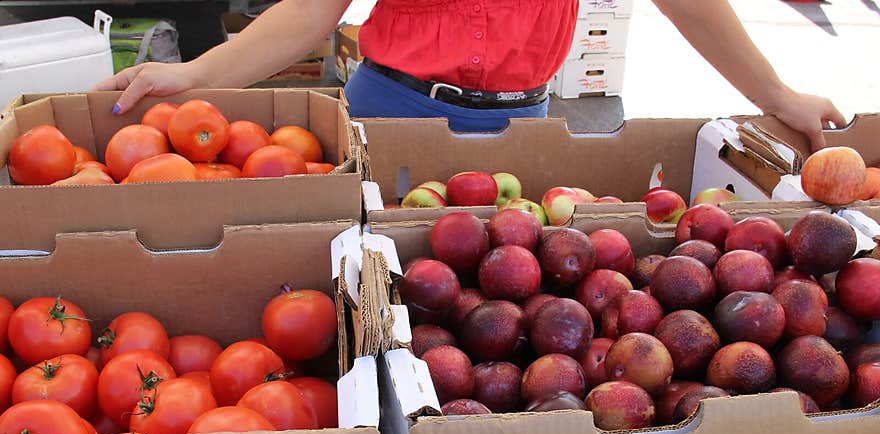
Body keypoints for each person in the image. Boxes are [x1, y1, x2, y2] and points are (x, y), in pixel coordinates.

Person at [96, 0, 845, 150]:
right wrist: (194, 76)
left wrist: (777, 97)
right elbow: (309, 14)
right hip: (389, 113)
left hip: (524, 125)